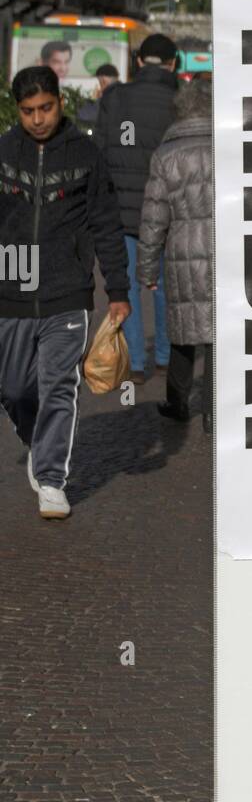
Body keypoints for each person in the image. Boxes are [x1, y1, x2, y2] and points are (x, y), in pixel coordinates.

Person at [0, 66, 130, 519]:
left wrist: (117, 289)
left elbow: (107, 224)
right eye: (28, 111)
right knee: (14, 388)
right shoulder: (3, 151)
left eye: (46, 108)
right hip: (14, 281)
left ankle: (53, 479)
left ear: (60, 102)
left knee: (59, 384)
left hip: (68, 289)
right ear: (19, 110)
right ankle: (38, 442)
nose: (38, 118)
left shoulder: (86, 154)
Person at [93, 32, 178, 385]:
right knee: (162, 283)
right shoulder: (178, 99)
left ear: (139, 62)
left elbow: (98, 151)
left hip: (123, 209)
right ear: (174, 63)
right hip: (169, 208)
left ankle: (136, 363)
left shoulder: (115, 97)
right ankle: (165, 358)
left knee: (126, 286)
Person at [137, 77, 213, 434]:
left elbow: (154, 218)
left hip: (182, 250)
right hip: (224, 247)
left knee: (183, 333)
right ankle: (215, 409)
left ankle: (178, 402)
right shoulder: (227, 148)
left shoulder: (166, 155)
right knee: (220, 335)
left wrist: (147, 270)